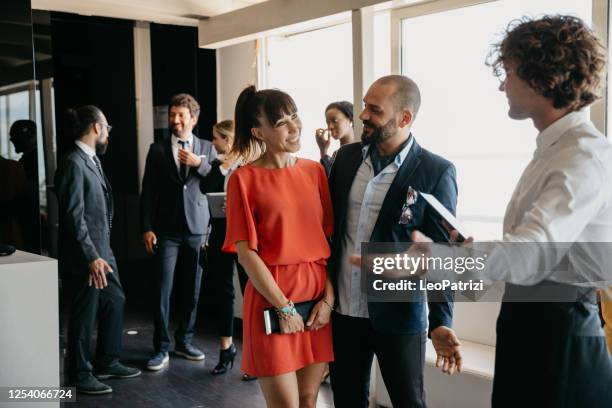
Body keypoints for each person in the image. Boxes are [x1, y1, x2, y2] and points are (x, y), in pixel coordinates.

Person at [409, 15, 612, 407]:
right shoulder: (554, 150)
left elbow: (532, 254)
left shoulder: (583, 154)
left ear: (543, 75)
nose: (503, 83)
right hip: (530, 325)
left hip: (562, 336)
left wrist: (441, 260)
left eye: (510, 71)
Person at [327, 75, 462, 408]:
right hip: (344, 311)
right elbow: (328, 228)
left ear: (404, 118)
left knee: (408, 402)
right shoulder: (345, 160)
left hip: (399, 315)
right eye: (363, 106)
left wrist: (441, 320)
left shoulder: (436, 171)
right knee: (346, 400)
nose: (363, 116)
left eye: (374, 110)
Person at [222, 85, 334, 407]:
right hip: (272, 302)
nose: (294, 127)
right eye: (281, 122)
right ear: (259, 131)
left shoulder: (314, 172)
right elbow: (246, 254)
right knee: (286, 405)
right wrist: (284, 308)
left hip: (316, 303)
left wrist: (328, 300)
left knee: (309, 398)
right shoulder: (243, 179)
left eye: (295, 116)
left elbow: (328, 244)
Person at [55, 105, 140, 394]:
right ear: (96, 127)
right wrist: (91, 257)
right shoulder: (73, 163)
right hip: (86, 256)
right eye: (107, 129)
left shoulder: (89, 159)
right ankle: (79, 374)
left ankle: (107, 361)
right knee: (84, 312)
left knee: (115, 300)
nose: (108, 134)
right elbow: (72, 217)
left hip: (104, 251)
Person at [141, 93, 217, 371]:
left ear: (193, 119)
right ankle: (160, 348)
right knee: (162, 288)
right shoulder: (157, 150)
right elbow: (147, 192)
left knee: (192, 288)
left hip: (198, 229)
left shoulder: (208, 148)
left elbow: (219, 182)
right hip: (167, 231)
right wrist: (147, 227)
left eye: (181, 115)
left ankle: (184, 341)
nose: (175, 120)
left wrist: (201, 164)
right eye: (172, 115)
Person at [200, 120, 252, 380]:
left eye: (216, 139)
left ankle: (254, 356)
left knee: (250, 293)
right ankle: (226, 349)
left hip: (245, 236)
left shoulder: (248, 165)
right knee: (223, 293)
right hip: (221, 236)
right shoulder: (215, 167)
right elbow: (203, 189)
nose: (213, 143)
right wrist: (220, 167)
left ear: (228, 140)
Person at [9, 119, 40, 253]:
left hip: (28, 226)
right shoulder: (32, 160)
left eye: (15, 136)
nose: (11, 140)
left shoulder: (28, 163)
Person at [315, 101, 354, 175]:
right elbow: (329, 182)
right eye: (328, 122)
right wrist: (323, 150)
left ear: (350, 119)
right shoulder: (337, 154)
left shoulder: (362, 151)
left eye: (334, 121)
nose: (330, 127)